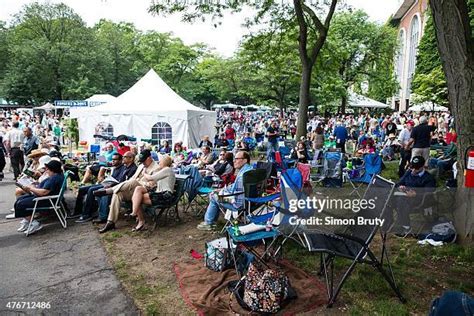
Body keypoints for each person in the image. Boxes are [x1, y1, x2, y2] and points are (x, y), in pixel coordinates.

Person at [96, 149, 160, 233]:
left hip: (145, 190)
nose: (143, 163)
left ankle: (109, 191)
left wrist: (137, 182)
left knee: (133, 182)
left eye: (144, 161)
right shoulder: (141, 166)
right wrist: (130, 183)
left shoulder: (156, 168)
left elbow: (152, 185)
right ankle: (110, 222)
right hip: (133, 189)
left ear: (149, 158)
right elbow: (133, 178)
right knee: (117, 193)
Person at [197, 151, 253, 231]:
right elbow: (235, 187)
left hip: (238, 204)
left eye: (237, 159)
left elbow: (235, 195)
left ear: (245, 160)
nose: (234, 161)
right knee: (216, 194)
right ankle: (212, 221)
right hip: (250, 202)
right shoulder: (249, 170)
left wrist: (221, 192)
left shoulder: (242, 176)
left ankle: (208, 223)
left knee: (213, 196)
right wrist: (222, 189)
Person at [14, 160, 65, 235]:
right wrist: (34, 186)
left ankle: (34, 223)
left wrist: (31, 188)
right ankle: (28, 220)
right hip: (47, 198)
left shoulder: (54, 178)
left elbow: (43, 192)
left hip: (47, 200)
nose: (46, 171)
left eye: (47, 169)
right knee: (20, 199)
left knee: (20, 204)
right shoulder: (57, 176)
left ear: (52, 169)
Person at [392, 156, 436, 236]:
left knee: (401, 202)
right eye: (412, 167)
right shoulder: (409, 172)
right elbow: (400, 182)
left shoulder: (428, 178)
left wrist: (416, 194)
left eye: (417, 168)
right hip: (405, 194)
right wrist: (401, 186)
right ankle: (392, 222)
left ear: (423, 167)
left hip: (418, 199)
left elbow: (429, 192)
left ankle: (406, 227)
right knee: (390, 199)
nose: (414, 170)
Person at [129, 155, 176, 231]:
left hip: (165, 196)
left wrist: (143, 172)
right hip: (159, 193)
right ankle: (135, 214)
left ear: (164, 162)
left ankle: (139, 219)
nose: (159, 162)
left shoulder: (167, 170)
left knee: (136, 198)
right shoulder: (164, 170)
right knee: (138, 190)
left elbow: (150, 178)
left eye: (160, 161)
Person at [91, 152, 138, 224]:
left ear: (131, 159)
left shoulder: (133, 169)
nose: (123, 158)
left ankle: (103, 217)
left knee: (104, 194)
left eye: (125, 157)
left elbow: (127, 183)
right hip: (118, 186)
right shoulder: (126, 167)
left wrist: (113, 184)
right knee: (100, 191)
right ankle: (103, 214)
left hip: (126, 190)